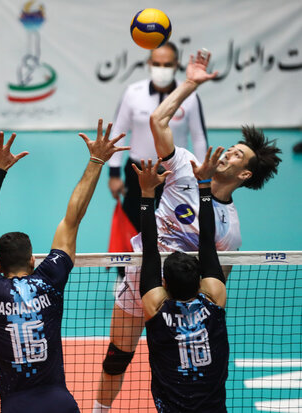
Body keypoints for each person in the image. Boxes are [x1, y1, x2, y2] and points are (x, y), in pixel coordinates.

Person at [93, 50, 281, 412]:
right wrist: (190, 84)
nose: (228, 154)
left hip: (177, 300)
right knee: (118, 356)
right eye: (232, 149)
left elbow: (214, 290)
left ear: (244, 176)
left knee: (175, 370)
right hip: (139, 277)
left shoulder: (231, 231)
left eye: (238, 157)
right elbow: (158, 121)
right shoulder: (184, 167)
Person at [0, 122, 129, 413]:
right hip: (61, 403)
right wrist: (96, 162)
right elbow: (72, 219)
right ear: (33, 260)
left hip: (16, 406)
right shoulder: (50, 278)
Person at [136, 150, 229, 412]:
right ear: (201, 282)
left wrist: (146, 194)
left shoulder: (156, 309)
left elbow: (150, 250)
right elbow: (208, 243)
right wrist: (205, 185)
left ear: (164, 285)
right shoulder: (214, 300)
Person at [108, 42, 208, 231]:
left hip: (175, 175)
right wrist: (114, 174)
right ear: (148, 63)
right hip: (138, 173)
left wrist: (202, 177)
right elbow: (118, 132)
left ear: (177, 65)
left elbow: (199, 138)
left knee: (175, 230)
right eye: (157, 64)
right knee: (134, 230)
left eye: (167, 65)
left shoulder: (190, 96)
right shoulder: (133, 93)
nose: (162, 69)